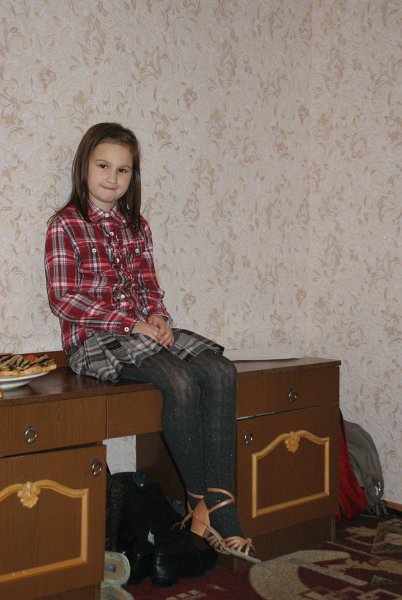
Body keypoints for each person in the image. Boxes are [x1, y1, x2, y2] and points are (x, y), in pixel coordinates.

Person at [45, 122, 259, 565]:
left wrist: (158, 317)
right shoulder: (65, 224)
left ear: (133, 176)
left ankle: (219, 504)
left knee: (221, 369)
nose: (112, 177)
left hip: (139, 333)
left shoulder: (136, 225)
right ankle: (206, 506)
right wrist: (130, 323)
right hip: (95, 340)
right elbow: (64, 299)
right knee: (179, 380)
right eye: (103, 166)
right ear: (83, 167)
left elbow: (148, 287)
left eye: (123, 170)